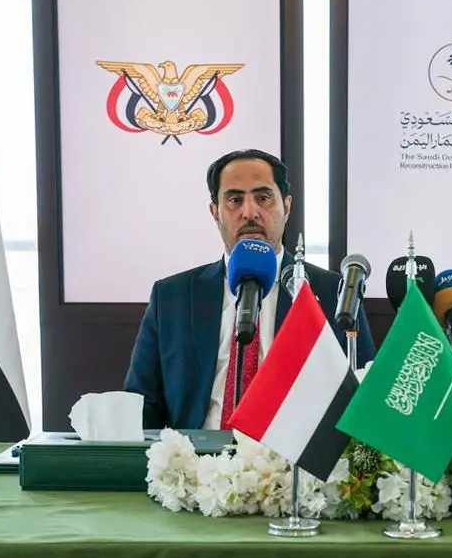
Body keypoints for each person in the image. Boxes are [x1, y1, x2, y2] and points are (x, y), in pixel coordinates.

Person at [124, 149, 376, 430]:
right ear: (215, 212)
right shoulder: (173, 297)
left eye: (263, 198)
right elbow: (141, 405)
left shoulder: (332, 294)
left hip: (292, 456)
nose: (250, 213)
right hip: (194, 453)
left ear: (287, 206)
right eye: (234, 200)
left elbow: (365, 398)